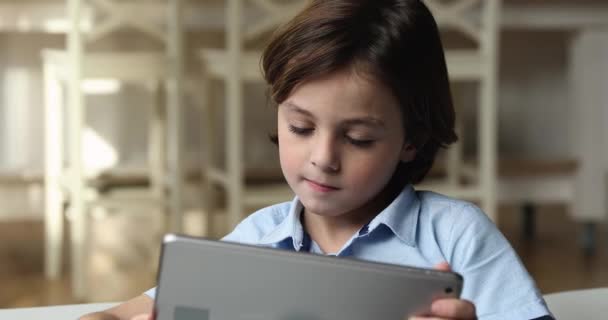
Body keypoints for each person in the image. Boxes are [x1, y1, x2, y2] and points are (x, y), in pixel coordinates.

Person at [80, 0, 554, 319]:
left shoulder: (455, 237)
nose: (323, 158)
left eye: (361, 138)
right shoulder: (254, 240)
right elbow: (120, 313)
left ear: (412, 140)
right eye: (301, 128)